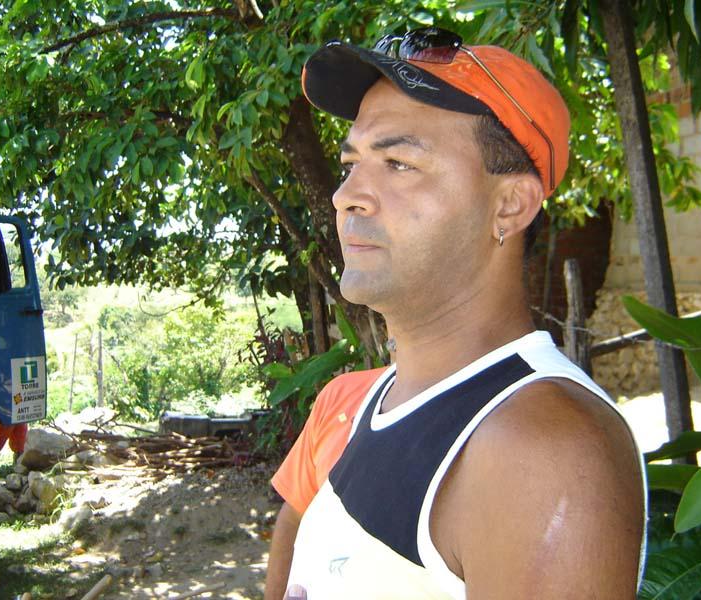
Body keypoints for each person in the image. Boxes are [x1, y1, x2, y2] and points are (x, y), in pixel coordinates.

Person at [265, 26, 646, 599]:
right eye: (352, 163)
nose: (346, 195)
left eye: (398, 162)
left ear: (510, 205)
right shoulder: (379, 397)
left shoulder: (543, 451)